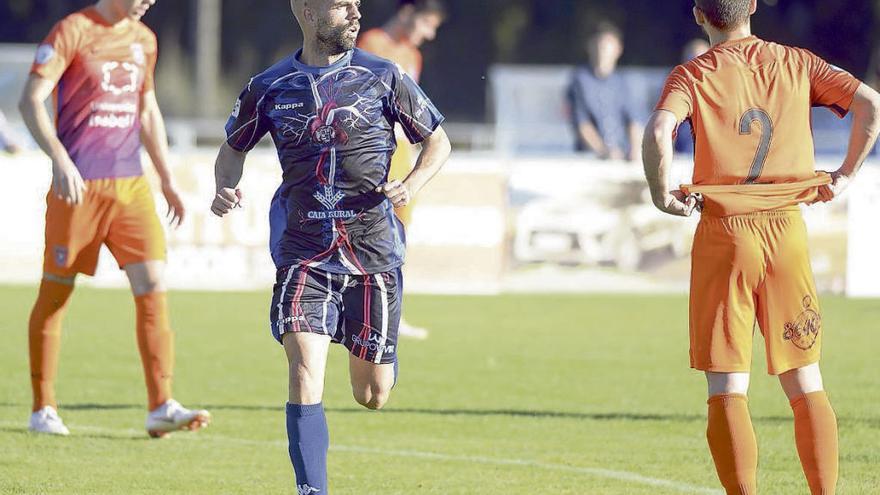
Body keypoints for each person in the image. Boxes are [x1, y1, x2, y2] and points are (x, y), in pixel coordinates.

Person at [211, 0, 450, 492]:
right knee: (303, 370)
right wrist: (224, 185)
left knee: (372, 393)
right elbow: (233, 148)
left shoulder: (385, 75)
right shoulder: (270, 86)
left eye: (357, 5)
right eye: (342, 6)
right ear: (307, 11)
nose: (355, 14)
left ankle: (368, 345)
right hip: (304, 251)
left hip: (373, 253)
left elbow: (438, 142)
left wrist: (412, 183)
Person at [642, 1, 880, 493]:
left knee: (728, 386)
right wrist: (845, 175)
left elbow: (660, 129)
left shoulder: (692, 75)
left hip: (725, 231)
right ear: (751, 6)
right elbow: (870, 104)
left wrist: (661, 193)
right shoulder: (797, 62)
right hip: (786, 230)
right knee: (805, 378)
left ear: (698, 15)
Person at [18, 0, 210, 437]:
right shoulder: (73, 30)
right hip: (79, 188)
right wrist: (59, 159)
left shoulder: (144, 39)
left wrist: (166, 178)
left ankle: (161, 405)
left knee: (154, 283)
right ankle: (41, 408)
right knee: (56, 294)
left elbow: (147, 110)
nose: (149, 2)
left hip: (131, 186)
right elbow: (30, 100)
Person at [357, 0, 446, 340]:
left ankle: (392, 312)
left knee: (397, 235)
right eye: (427, 23)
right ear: (408, 12)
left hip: (402, 155)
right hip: (373, 155)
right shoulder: (372, 44)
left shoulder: (413, 56)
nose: (429, 33)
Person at [567, 21, 642, 161]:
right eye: (598, 46)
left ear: (618, 50)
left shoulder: (623, 83)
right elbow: (581, 124)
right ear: (589, 47)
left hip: (622, 156)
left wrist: (635, 150)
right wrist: (604, 151)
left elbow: (634, 120)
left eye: (606, 47)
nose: (602, 52)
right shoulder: (579, 81)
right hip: (590, 158)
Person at [674, 38, 710, 154]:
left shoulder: (722, 96)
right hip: (681, 162)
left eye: (704, 60)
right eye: (693, 61)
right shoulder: (674, 94)